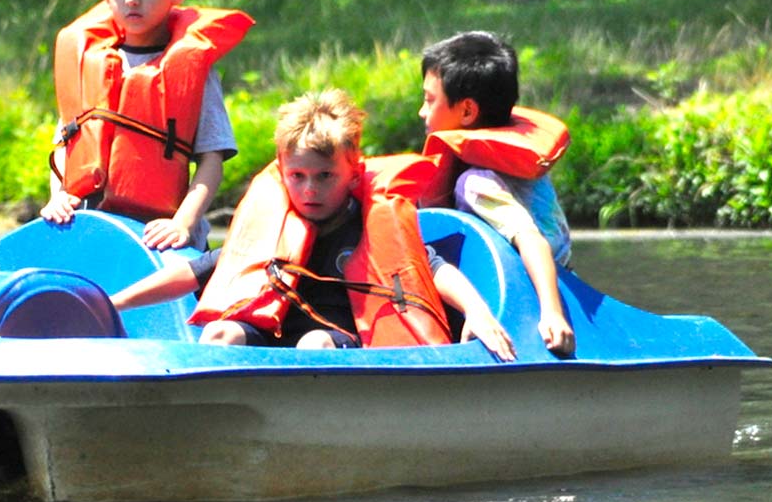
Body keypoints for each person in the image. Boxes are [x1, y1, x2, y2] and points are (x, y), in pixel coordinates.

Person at [114, 89, 515, 361]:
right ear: (283, 172)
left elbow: (434, 269)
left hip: (339, 344)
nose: (310, 190)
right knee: (222, 333)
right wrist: (115, 302)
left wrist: (478, 312)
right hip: (272, 338)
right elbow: (194, 272)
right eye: (298, 176)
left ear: (353, 175)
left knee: (314, 342)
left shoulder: (368, 227)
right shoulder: (274, 228)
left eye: (325, 176)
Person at [41, 0, 253, 251]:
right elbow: (66, 143)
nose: (131, 0)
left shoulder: (194, 67)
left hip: (163, 237)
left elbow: (212, 161)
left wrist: (182, 223)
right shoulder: (89, 63)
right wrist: (59, 197)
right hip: (91, 225)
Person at [417, 30, 575, 356]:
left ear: (467, 112)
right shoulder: (493, 160)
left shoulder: (477, 182)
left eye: (430, 101)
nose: (421, 111)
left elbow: (531, 238)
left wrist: (552, 313)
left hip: (532, 289)